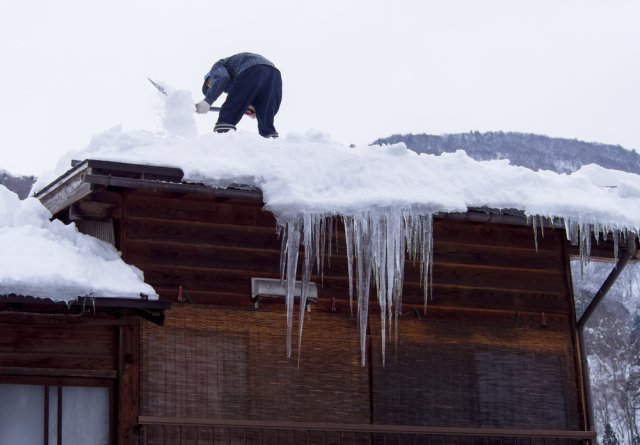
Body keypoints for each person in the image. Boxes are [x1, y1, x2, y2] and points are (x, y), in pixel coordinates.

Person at [195, 52, 282, 138]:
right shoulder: (233, 83)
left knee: (228, 113)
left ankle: (224, 130)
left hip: (252, 68)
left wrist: (208, 101)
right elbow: (246, 93)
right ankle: (270, 138)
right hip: (274, 75)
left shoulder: (217, 67)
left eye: (210, 86)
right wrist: (254, 107)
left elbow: (222, 77)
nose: (213, 88)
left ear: (209, 79)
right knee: (265, 115)